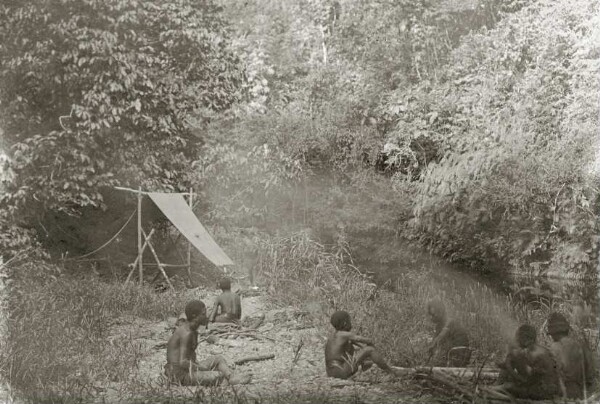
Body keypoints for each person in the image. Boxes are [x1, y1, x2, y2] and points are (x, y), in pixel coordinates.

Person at [165, 300, 250, 386]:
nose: (206, 317)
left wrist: (199, 367)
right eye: (203, 314)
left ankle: (230, 377)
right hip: (179, 375)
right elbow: (183, 362)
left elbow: (190, 355)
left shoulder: (193, 330)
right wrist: (202, 368)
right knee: (218, 375)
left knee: (218, 359)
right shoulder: (186, 333)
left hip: (188, 369)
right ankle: (227, 380)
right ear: (194, 316)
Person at [324, 310, 400, 379]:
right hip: (341, 371)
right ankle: (391, 372)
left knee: (358, 350)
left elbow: (358, 346)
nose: (351, 324)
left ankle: (366, 366)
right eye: (350, 321)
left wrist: (364, 354)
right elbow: (366, 340)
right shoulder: (345, 335)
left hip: (331, 372)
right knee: (370, 350)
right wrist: (372, 347)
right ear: (345, 323)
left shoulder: (333, 336)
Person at [493, 324, 560, 400]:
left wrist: (511, 370)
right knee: (511, 359)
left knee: (509, 386)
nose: (517, 340)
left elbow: (528, 380)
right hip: (549, 390)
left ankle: (498, 386)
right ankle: (499, 385)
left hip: (543, 392)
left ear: (525, 338)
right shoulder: (542, 349)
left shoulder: (532, 352)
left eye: (518, 338)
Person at [547, 312, 595, 399]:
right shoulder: (581, 345)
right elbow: (590, 372)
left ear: (553, 333)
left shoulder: (555, 347)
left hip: (564, 392)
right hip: (582, 392)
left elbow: (554, 374)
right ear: (567, 330)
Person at [426, 300, 471, 367]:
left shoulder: (450, 324)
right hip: (452, 357)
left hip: (457, 358)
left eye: (433, 315)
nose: (431, 318)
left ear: (440, 312)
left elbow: (438, 341)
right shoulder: (440, 325)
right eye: (430, 315)